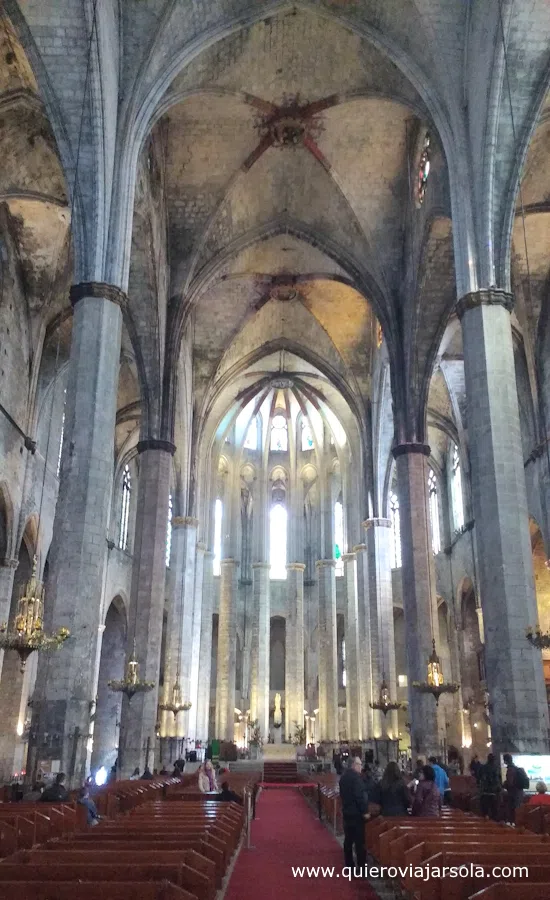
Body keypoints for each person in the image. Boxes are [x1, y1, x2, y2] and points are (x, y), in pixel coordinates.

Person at [339, 757, 369, 872]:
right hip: (356, 814)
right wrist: (365, 811)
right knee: (359, 841)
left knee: (348, 840)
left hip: (347, 812)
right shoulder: (356, 778)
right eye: (359, 764)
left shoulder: (343, 778)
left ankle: (349, 865)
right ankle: (361, 867)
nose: (361, 767)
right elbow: (360, 797)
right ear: (354, 765)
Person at [503, 753, 529, 825]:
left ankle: (513, 826)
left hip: (513, 793)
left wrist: (504, 785)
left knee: (512, 812)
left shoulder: (510, 770)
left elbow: (510, 783)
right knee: (518, 810)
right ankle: (517, 825)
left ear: (505, 761)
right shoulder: (517, 769)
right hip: (520, 792)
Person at [478, 753, 502, 820]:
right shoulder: (496, 768)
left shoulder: (483, 768)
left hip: (484, 792)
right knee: (494, 813)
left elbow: (478, 778)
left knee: (484, 813)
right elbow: (498, 780)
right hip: (494, 793)